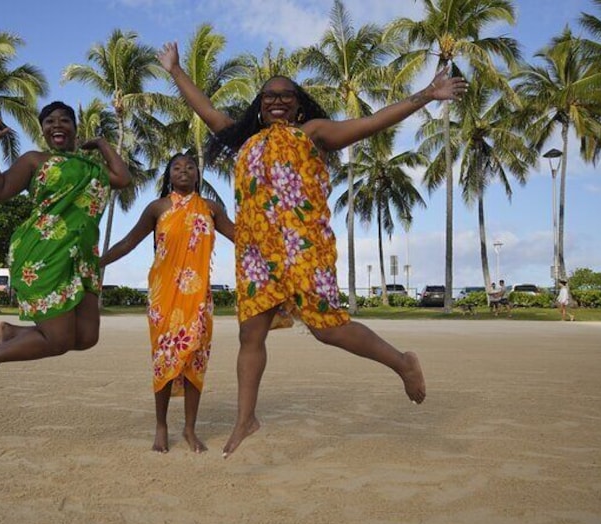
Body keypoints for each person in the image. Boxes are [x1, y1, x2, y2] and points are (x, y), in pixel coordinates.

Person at [157, 41, 468, 457]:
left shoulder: (313, 133)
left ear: (299, 104)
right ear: (260, 105)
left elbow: (371, 122)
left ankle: (402, 362)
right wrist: (176, 71)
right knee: (251, 333)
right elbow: (205, 108)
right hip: (256, 254)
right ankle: (245, 418)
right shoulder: (244, 140)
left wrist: (426, 95)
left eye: (287, 95)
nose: (278, 100)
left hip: (303, 247)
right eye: (270, 96)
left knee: (328, 329)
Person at [0, 102, 131, 397]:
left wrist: (102, 143)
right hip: (45, 253)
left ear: (76, 129)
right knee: (59, 341)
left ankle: (13, 333)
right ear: (43, 130)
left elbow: (123, 179)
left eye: (65, 120)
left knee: (87, 337)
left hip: (83, 258)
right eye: (50, 121)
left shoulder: (93, 168)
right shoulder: (35, 160)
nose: (57, 125)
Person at [101, 153, 235, 453]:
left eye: (190, 167)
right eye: (177, 167)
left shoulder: (211, 209)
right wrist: (98, 261)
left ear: (198, 174)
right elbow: (128, 242)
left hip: (199, 297)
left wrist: (270, 240)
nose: (184, 171)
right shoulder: (157, 208)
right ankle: (161, 426)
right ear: (169, 175)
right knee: (164, 360)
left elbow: (238, 234)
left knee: (194, 361)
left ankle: (189, 429)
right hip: (163, 296)